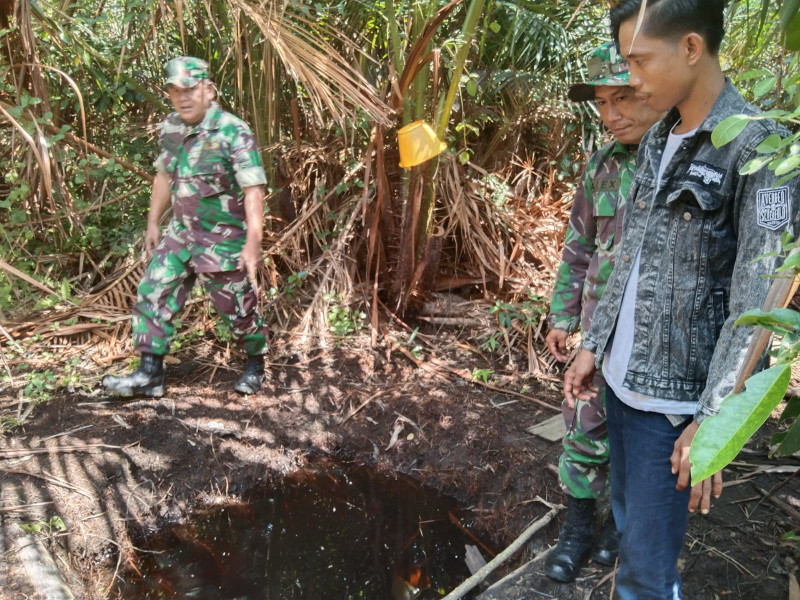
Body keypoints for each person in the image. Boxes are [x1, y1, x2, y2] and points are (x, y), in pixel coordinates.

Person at [564, 2, 799, 598]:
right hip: (621, 384)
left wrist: (714, 416)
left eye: (639, 62)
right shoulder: (660, 138)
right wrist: (595, 344)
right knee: (628, 526)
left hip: (670, 408)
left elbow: (761, 296)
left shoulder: (758, 148)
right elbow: (628, 254)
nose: (632, 80)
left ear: (691, 48)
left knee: (646, 572)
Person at [544, 41, 665, 583]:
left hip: (654, 337)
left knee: (638, 437)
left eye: (622, 99)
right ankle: (577, 525)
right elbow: (578, 246)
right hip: (596, 332)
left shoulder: (678, 160)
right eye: (600, 103)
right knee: (583, 428)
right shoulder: (602, 163)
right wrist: (562, 317)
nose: (611, 114)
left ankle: (620, 528)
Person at [103, 57, 270, 397]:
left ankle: (255, 362)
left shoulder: (232, 130)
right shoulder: (171, 128)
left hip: (221, 238)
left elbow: (253, 189)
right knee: (153, 291)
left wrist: (253, 241)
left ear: (208, 90)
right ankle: (150, 373)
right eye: (175, 91)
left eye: (190, 89)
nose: (183, 97)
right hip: (181, 233)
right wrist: (153, 222)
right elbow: (164, 175)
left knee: (238, 310)